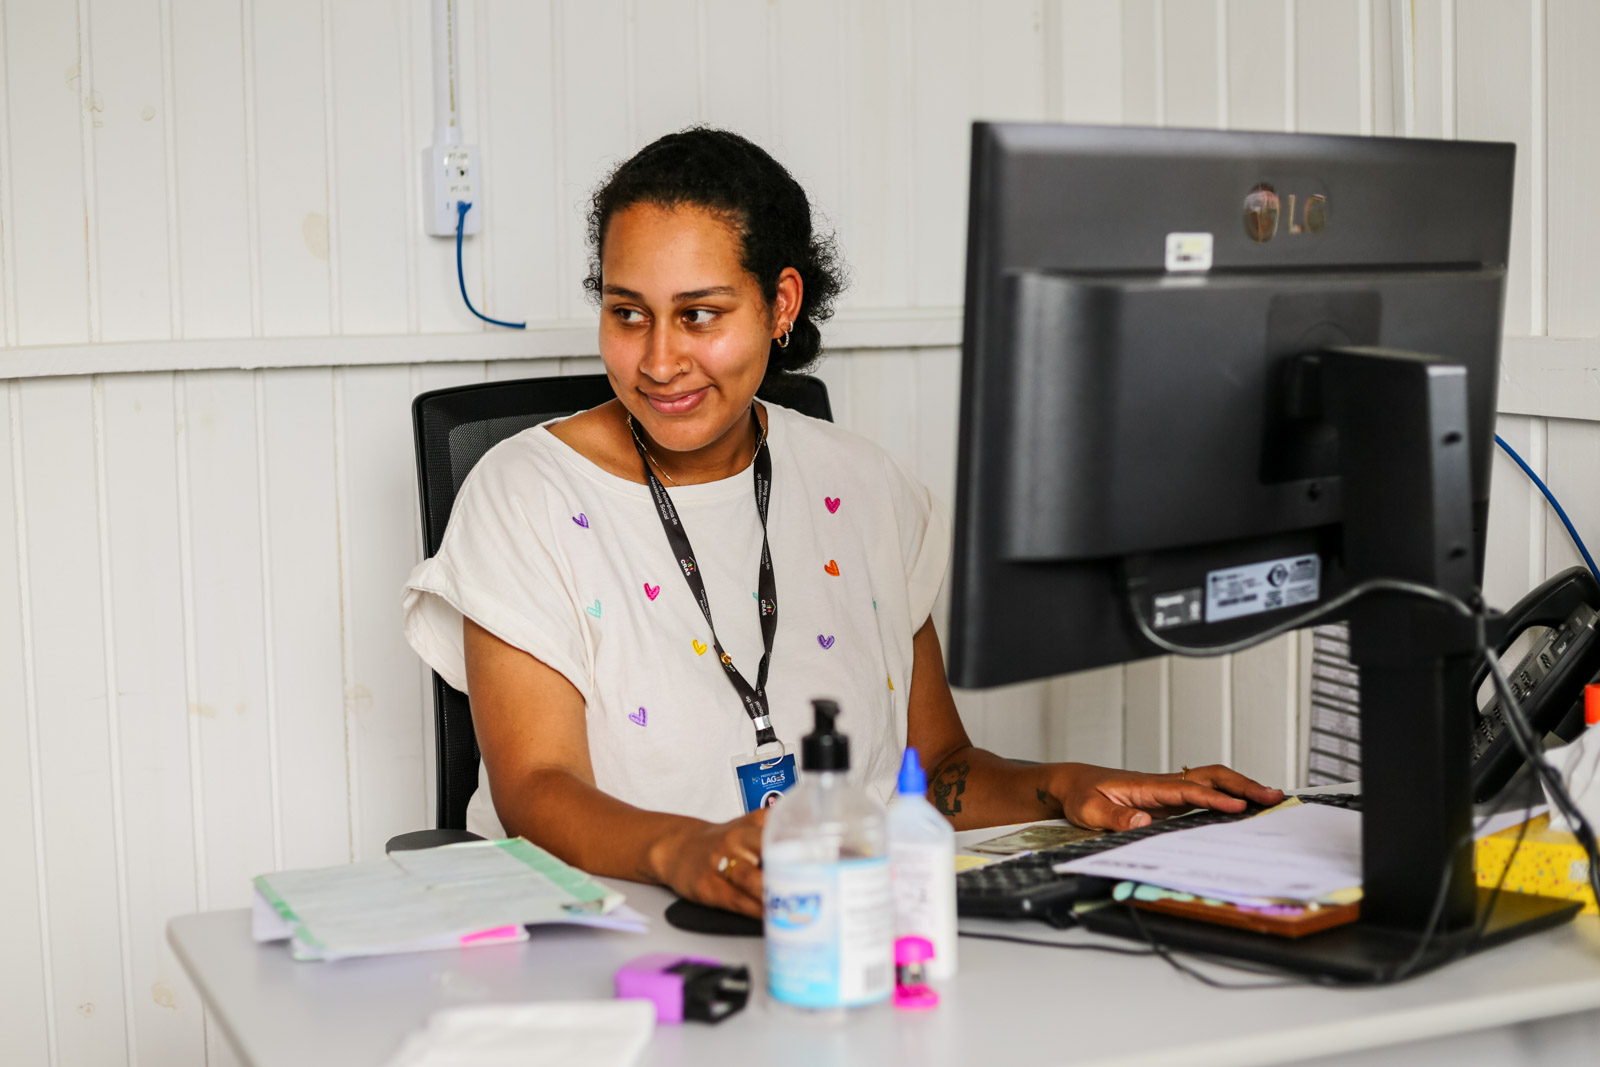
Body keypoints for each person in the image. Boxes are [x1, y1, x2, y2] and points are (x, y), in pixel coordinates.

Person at [403, 127, 1283, 919]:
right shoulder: (523, 494)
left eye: (699, 315)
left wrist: (1065, 787)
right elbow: (536, 788)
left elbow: (936, 772)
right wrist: (689, 850)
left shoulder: (862, 485)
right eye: (628, 313)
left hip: (837, 928)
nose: (659, 359)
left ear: (780, 304)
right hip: (607, 946)